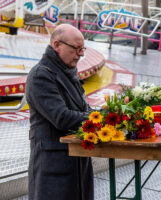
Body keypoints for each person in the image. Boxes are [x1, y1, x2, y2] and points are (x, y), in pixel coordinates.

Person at [26, 24, 94, 200]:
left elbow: (84, 109)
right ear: (57, 45)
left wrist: (106, 115)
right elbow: (61, 118)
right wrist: (100, 119)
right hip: (53, 168)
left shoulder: (68, 72)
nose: (81, 54)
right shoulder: (41, 75)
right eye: (76, 49)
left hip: (77, 162)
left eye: (82, 48)